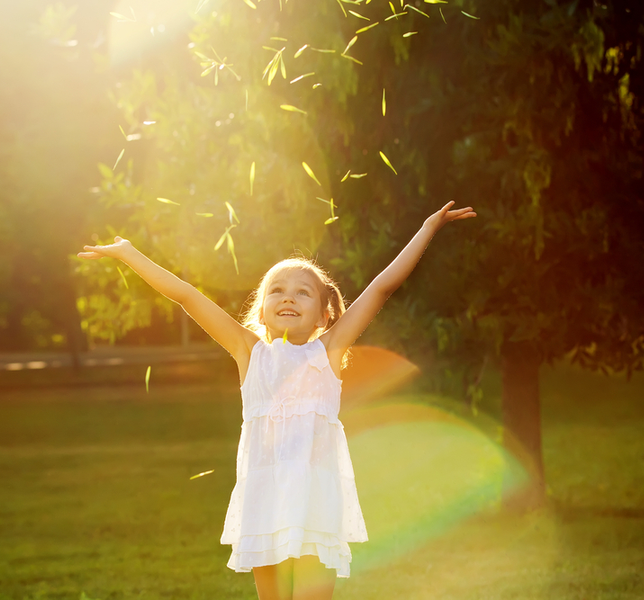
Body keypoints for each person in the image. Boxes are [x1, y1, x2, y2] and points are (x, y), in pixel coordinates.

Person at [77, 201, 476, 600]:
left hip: (315, 500)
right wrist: (129, 254)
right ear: (262, 311)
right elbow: (186, 296)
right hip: (264, 499)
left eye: (303, 293)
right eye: (277, 291)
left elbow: (382, 287)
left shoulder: (329, 351)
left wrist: (427, 228)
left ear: (323, 315)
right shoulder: (249, 353)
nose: (289, 298)